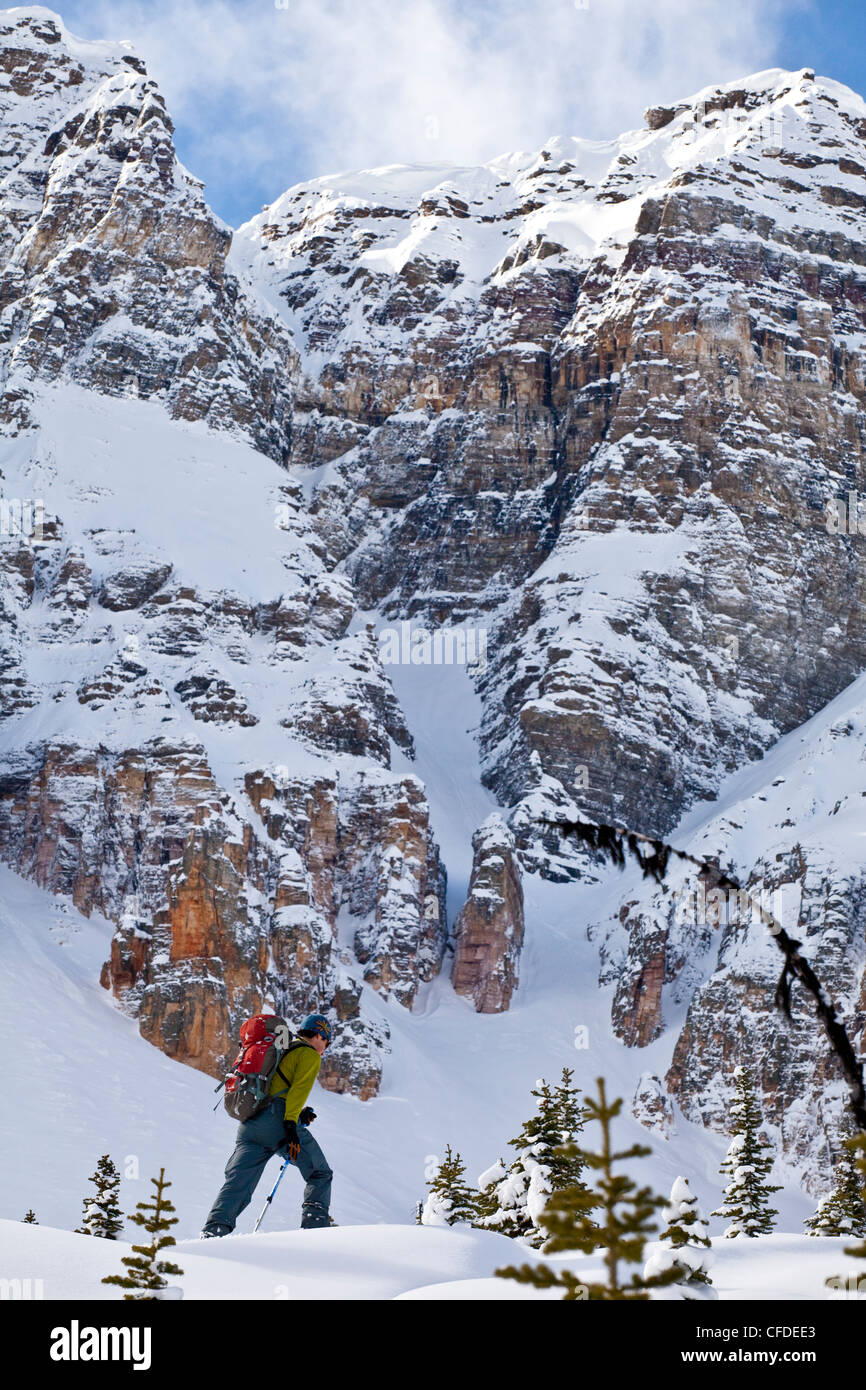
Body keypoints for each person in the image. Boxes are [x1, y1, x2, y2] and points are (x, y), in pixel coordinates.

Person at [201, 1013, 334, 1236]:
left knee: (238, 1184)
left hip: (250, 1124)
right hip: (279, 1124)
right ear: (319, 1035)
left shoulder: (280, 1048)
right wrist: (292, 1125)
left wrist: (299, 1115)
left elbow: (273, 1089)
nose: (326, 1047)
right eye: (326, 1041)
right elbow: (297, 1093)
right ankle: (315, 1231)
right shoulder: (309, 1055)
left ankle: (214, 1230)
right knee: (320, 1173)